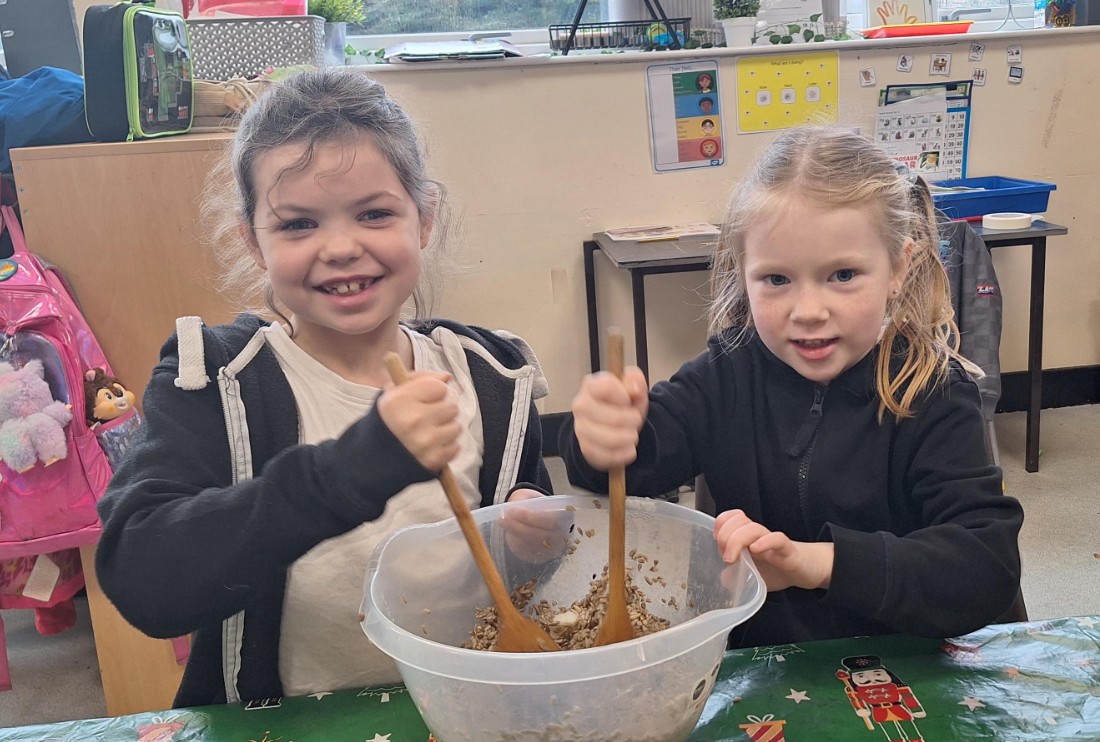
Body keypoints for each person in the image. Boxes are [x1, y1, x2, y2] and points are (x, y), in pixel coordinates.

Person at [95, 70, 556, 708]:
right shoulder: (216, 381)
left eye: (373, 213)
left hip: (460, 710)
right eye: (298, 225)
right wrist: (349, 471)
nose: (340, 247)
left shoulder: (489, 376)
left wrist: (535, 537)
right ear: (251, 241)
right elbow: (145, 583)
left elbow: (521, 561)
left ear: (424, 218)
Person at [561, 126, 1024, 649]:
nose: (808, 312)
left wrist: (815, 563)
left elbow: (985, 567)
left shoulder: (933, 390)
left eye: (843, 274)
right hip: (761, 665)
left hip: (901, 661)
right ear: (744, 273)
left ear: (899, 267)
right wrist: (600, 439)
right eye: (776, 280)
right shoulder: (725, 374)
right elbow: (626, 467)